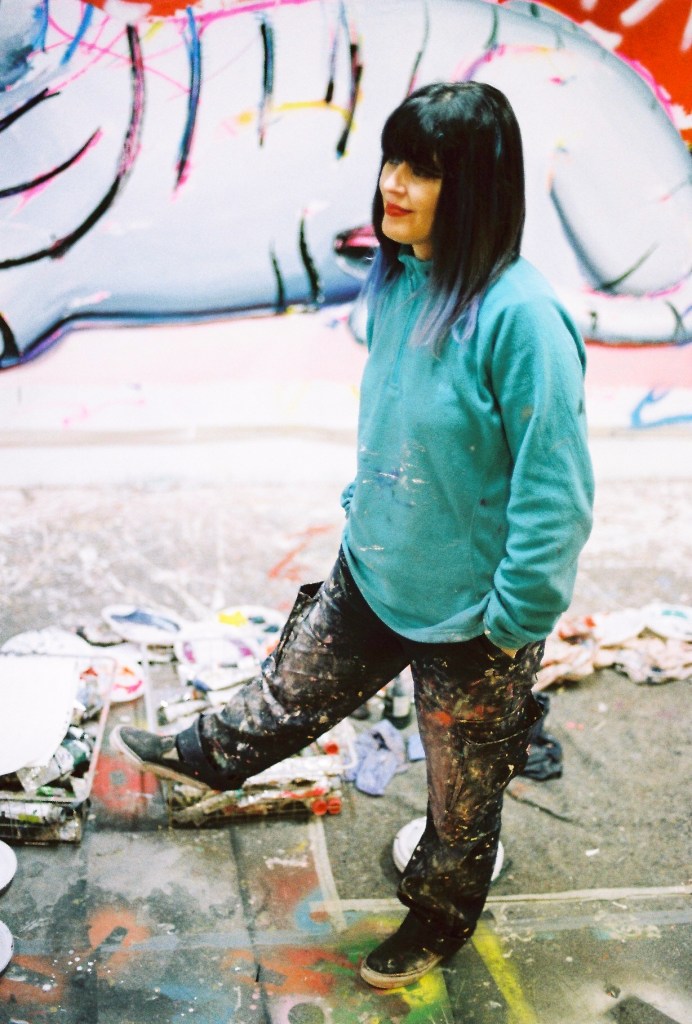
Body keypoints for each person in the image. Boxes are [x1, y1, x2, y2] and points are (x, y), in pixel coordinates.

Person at [112, 81, 594, 989]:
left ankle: (439, 920)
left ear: (478, 187)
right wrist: (367, 506)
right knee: (288, 688)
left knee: (461, 804)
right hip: (375, 569)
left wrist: (513, 621)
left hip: (472, 619)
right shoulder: (403, 278)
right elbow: (399, 421)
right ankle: (208, 757)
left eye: (425, 170)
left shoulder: (523, 318)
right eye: (392, 160)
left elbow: (555, 494)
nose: (393, 184)